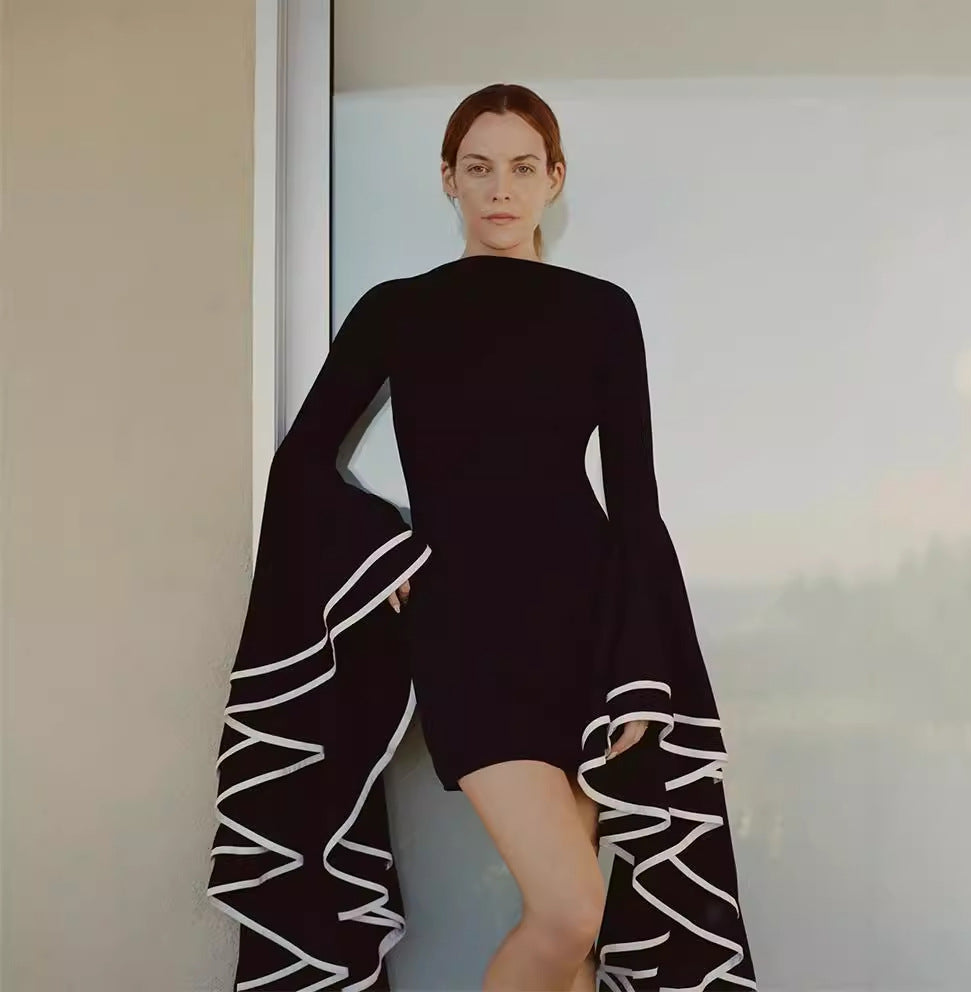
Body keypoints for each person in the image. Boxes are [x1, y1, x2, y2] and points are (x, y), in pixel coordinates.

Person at [208, 83, 757, 992]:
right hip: (467, 634)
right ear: (448, 179)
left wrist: (642, 664)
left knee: (575, 942)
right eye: (479, 167)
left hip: (586, 627)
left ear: (555, 179)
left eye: (523, 167)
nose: (501, 188)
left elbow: (635, 503)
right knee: (570, 909)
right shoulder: (396, 310)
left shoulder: (602, 311)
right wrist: (380, 550)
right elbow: (301, 462)